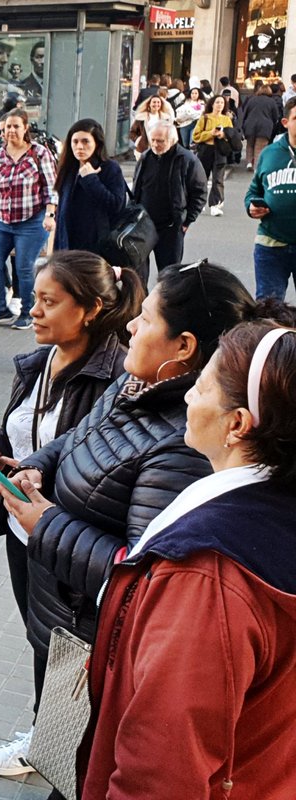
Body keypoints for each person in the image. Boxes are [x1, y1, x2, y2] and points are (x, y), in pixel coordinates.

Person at [0, 261, 255, 775]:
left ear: (184, 347)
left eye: (147, 318)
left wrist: (46, 525)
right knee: (61, 752)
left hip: (91, 637)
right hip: (60, 612)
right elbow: (77, 438)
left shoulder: (183, 445)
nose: (131, 324)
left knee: (81, 768)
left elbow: (138, 578)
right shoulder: (134, 384)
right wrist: (37, 467)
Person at [78, 315, 296, 798]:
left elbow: (161, 771)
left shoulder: (206, 576)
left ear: (238, 424)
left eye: (199, 387)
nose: (187, 397)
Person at [0, 251, 142, 776]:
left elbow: (94, 467)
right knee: (38, 636)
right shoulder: (39, 362)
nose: (34, 312)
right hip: (26, 530)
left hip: (67, 537)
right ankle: (51, 738)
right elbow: (27, 434)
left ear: (88, 310)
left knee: (64, 646)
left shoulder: (113, 380)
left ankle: (53, 746)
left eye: (48, 302)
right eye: (34, 299)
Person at [0, 109, 57, 330]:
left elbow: (52, 187)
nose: (10, 131)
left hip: (32, 220)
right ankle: (0, 309)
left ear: (25, 128)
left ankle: (27, 312)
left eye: (15, 126)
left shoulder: (39, 153)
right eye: (6, 128)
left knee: (24, 267)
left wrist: (50, 215)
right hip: (3, 220)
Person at [130, 120, 206, 281]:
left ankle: (164, 305)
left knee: (169, 275)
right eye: (153, 140)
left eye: (160, 141)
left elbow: (199, 193)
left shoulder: (187, 160)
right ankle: (140, 305)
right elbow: (137, 189)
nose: (156, 145)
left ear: (172, 140)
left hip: (170, 227)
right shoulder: (146, 157)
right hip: (143, 224)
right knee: (137, 275)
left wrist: (187, 221)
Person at [54, 118, 129, 254]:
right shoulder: (69, 167)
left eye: (85, 141)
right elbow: (62, 210)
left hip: (97, 245)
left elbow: (116, 205)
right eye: (75, 142)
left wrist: (90, 179)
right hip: (67, 243)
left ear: (97, 143)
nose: (79, 147)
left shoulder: (109, 168)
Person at [247, 97, 296, 301]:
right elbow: (253, 191)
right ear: (286, 123)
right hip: (271, 243)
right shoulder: (269, 154)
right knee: (268, 309)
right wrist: (251, 206)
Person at [191, 93, 234, 216]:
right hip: (205, 149)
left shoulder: (226, 119)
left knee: (218, 179)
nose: (219, 105)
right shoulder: (204, 118)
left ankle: (215, 204)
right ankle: (199, 202)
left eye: (222, 102)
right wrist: (211, 133)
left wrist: (223, 135)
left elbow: (231, 136)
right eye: (217, 102)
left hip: (220, 150)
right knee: (201, 178)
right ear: (212, 104)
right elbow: (196, 135)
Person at [241, 84, 280, 169]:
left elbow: (245, 112)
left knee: (250, 145)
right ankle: (257, 167)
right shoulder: (272, 101)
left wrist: (243, 125)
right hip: (265, 127)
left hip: (250, 125)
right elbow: (275, 116)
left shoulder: (252, 99)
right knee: (260, 147)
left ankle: (249, 162)